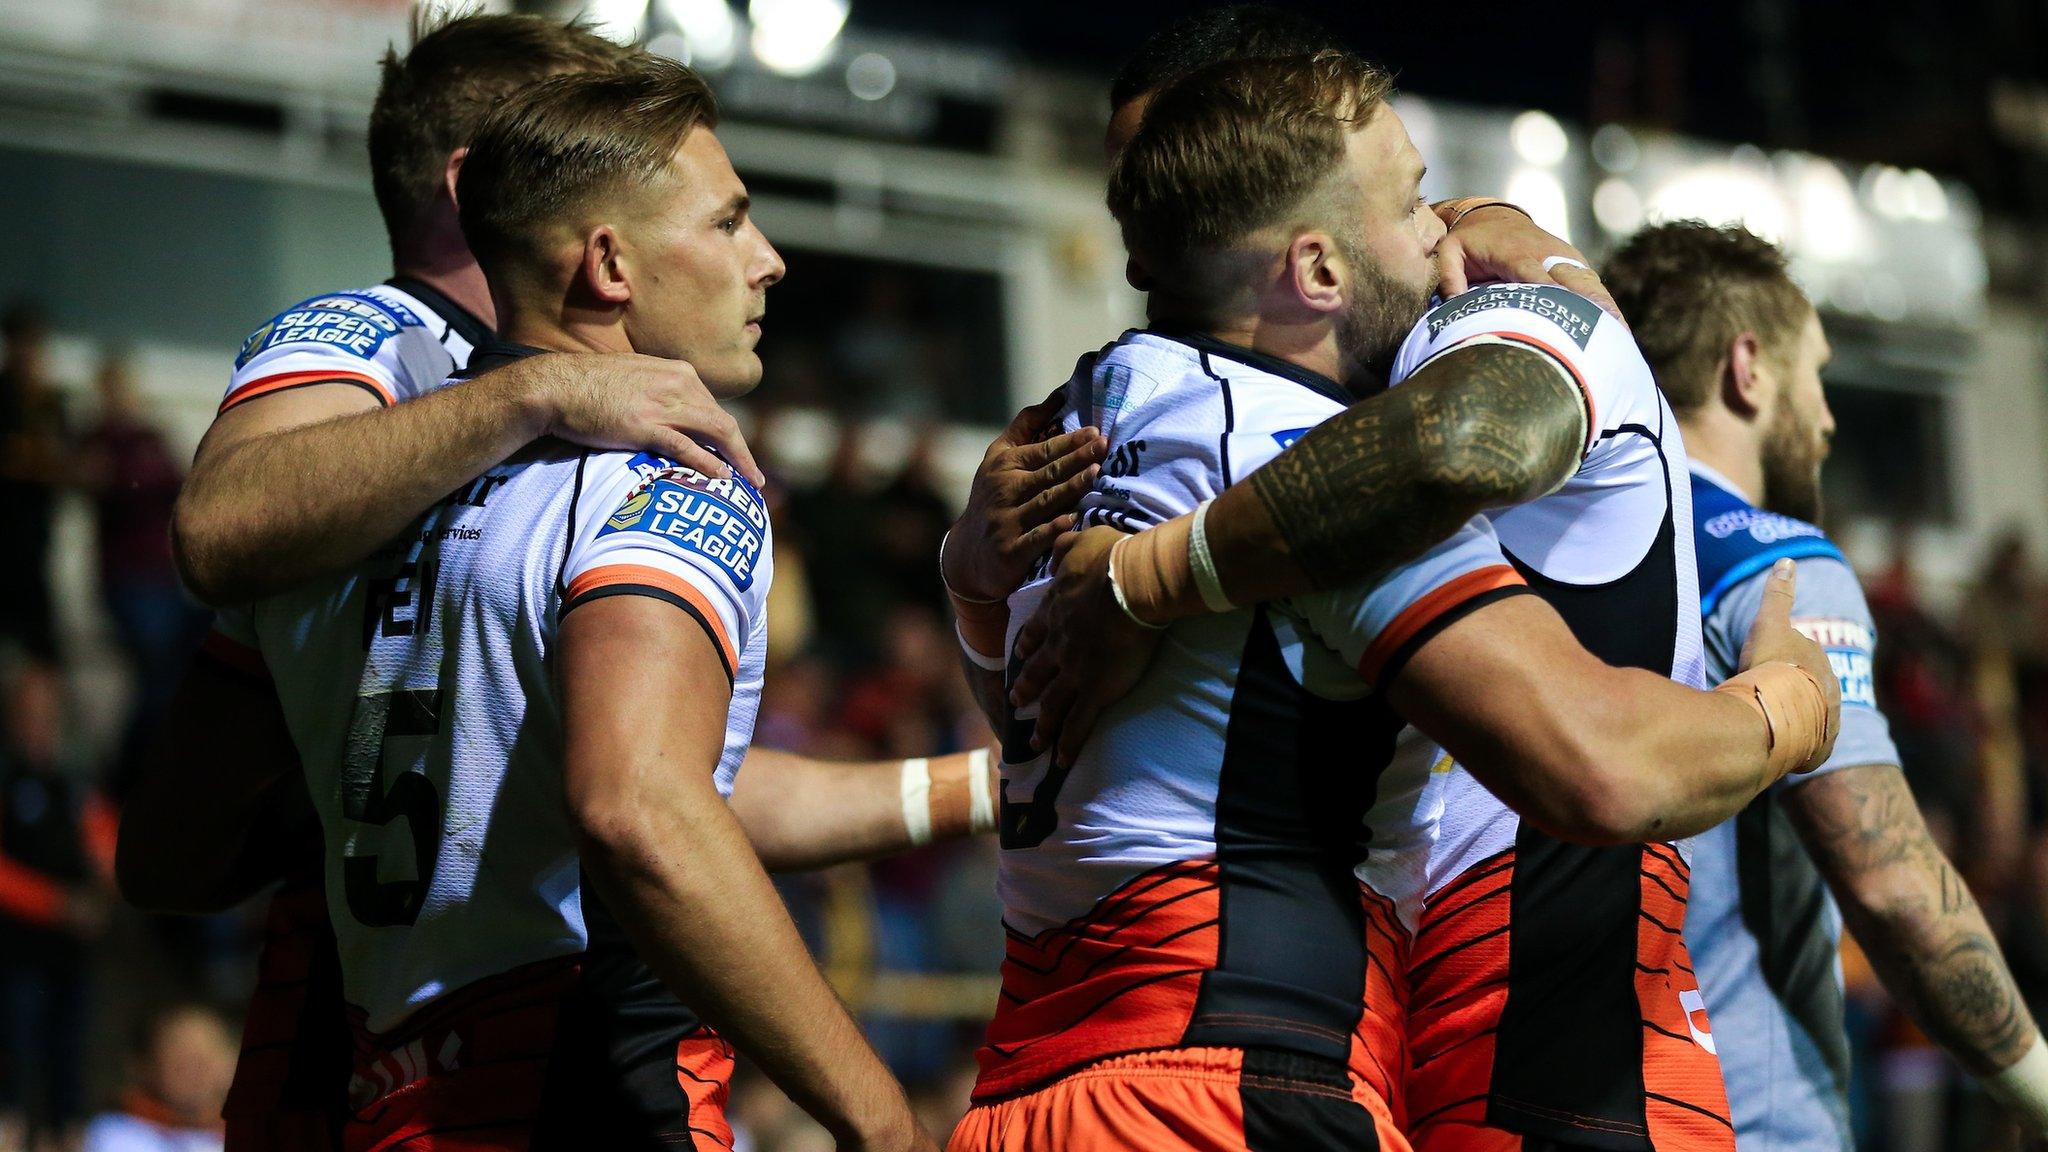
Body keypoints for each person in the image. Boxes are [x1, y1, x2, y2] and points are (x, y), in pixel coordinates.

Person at [949, 50, 1837, 1152]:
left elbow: (1021, 698)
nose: (1442, 234)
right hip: (1228, 1083)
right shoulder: (1313, 479)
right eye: (1414, 199)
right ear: (1314, 270)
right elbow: (1600, 768)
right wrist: (1791, 703)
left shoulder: (1068, 428)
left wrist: (978, 583)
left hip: (1020, 1094)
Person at [144, 58, 939, 1151]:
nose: (769, 261)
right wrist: (880, 1119)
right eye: (729, 223)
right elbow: (640, 809)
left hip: (377, 1092)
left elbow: (171, 856)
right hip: (581, 1090)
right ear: (608, 261)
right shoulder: (652, 479)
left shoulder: (344, 513)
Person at [1601, 220, 2048, 1148]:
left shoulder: (1531, 553)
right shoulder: (1779, 570)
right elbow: (1893, 887)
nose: (1830, 416)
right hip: (1742, 1118)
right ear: (1749, 367)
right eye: (1818, 374)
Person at [79, 353, 208, 799]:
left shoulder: (150, 436)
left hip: (166, 577)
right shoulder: (97, 441)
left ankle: (148, 772)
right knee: (156, 675)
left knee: (179, 670)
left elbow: (188, 486)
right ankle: (129, 777)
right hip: (128, 579)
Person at [0, 304, 67, 664]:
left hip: (35, 537)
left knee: (39, 650)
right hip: (8, 537)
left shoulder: (50, 401)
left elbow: (71, 462)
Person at [80, 1005, 237, 1152]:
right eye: (181, 1058)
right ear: (144, 1066)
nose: (198, 1071)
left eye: (208, 1054)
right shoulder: (118, 1132)